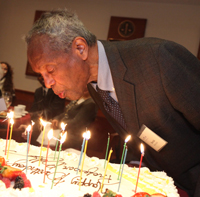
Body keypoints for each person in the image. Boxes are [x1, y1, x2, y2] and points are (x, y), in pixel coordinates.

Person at [25, 9, 200, 197]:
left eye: (50, 70)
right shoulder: (93, 84)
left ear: (80, 48)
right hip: (156, 182)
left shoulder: (159, 59)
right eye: (42, 76)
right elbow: (136, 132)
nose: (47, 83)